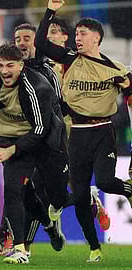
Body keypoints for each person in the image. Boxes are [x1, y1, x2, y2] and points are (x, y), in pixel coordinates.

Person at [35, 0, 132, 262]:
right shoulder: (69, 60)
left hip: (103, 131)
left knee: (103, 182)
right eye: (76, 34)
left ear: (97, 38)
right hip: (75, 134)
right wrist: (50, 11)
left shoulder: (115, 69)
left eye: (83, 34)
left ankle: (128, 189)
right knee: (78, 196)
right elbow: (41, 45)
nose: (77, 38)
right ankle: (94, 248)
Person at [0, 43, 69, 264]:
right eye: (1, 65)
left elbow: (41, 129)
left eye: (10, 65)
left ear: (21, 65)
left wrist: (11, 150)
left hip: (46, 141)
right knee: (15, 191)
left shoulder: (37, 87)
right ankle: (21, 249)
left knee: (58, 196)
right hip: (11, 139)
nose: (4, 71)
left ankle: (74, 208)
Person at [45, 16, 111, 232]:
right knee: (47, 186)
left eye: (54, 31)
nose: (49, 35)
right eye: (48, 32)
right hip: (47, 128)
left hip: (70, 127)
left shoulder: (75, 61)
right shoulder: (42, 63)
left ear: (65, 37)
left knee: (64, 184)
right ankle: (87, 199)